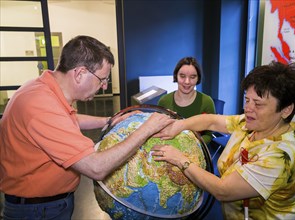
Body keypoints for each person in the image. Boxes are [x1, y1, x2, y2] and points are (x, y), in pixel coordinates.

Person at [0, 35, 174, 220]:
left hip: (44, 205)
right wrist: (147, 129)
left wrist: (108, 120)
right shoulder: (40, 104)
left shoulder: (42, 88)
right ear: (80, 73)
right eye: (102, 79)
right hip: (38, 211)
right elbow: (96, 167)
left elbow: (65, 120)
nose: (105, 86)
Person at [152, 61, 295, 219]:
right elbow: (211, 121)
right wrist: (180, 125)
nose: (248, 108)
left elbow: (223, 190)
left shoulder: (280, 157)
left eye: (258, 104)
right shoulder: (252, 123)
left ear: (286, 110)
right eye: (247, 100)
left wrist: (180, 159)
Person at [157, 56, 216, 144]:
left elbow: (209, 134)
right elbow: (158, 130)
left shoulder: (207, 102)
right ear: (176, 76)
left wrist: (193, 145)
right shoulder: (164, 101)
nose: (187, 82)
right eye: (182, 76)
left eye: (192, 77)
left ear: (198, 78)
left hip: (195, 153)